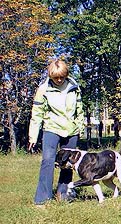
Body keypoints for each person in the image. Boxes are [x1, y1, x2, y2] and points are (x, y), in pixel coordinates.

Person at [28, 59, 84, 205]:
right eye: (55, 77)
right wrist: (33, 136)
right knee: (48, 160)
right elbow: (37, 113)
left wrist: (80, 126)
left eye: (62, 77)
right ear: (50, 76)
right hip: (52, 129)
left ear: (66, 75)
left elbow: (80, 109)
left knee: (68, 163)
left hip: (71, 130)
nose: (59, 80)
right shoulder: (43, 89)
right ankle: (42, 199)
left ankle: (63, 194)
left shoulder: (74, 87)